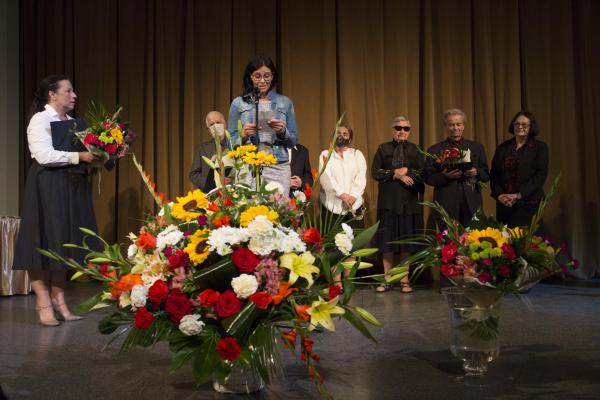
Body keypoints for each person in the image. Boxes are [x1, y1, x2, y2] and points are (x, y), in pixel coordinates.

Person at [12, 74, 102, 326]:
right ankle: (43, 302)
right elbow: (43, 155)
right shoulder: (40, 120)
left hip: (71, 186)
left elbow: (87, 154)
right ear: (52, 94)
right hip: (47, 186)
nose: (74, 96)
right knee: (44, 239)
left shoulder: (74, 122)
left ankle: (59, 299)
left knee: (66, 243)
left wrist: (104, 155)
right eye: (69, 91)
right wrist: (79, 158)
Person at [228, 56, 297, 190]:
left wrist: (283, 132)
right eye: (257, 76)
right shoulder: (238, 103)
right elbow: (229, 143)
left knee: (278, 208)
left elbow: (293, 141)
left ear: (272, 76)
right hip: (248, 165)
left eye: (267, 76)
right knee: (249, 209)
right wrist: (243, 136)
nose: (262, 80)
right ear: (250, 77)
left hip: (277, 165)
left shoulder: (285, 102)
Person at [372, 116, 425, 293]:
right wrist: (395, 173)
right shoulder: (383, 148)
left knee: (406, 243)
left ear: (409, 131)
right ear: (392, 129)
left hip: (409, 202)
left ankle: (404, 280)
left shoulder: (416, 150)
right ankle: (387, 279)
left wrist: (408, 171)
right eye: (398, 128)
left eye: (406, 128)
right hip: (388, 202)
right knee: (387, 242)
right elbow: (375, 172)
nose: (402, 131)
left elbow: (424, 173)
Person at [319, 125, 367, 289]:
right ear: (333, 136)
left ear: (350, 138)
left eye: (345, 133)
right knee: (334, 246)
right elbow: (326, 178)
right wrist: (342, 194)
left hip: (354, 206)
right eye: (338, 133)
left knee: (352, 245)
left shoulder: (357, 154)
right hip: (332, 206)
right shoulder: (326, 154)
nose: (341, 135)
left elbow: (361, 177)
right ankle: (337, 282)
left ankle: (349, 281)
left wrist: (353, 196)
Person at [426, 109, 489, 227]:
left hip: (472, 202)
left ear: (463, 126)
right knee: (448, 242)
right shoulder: (434, 150)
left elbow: (486, 174)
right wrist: (445, 176)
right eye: (451, 125)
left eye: (458, 124)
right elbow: (428, 178)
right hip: (446, 203)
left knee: (472, 242)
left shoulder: (477, 147)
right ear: (446, 127)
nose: (455, 127)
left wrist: (476, 172)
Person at [490, 111, 549, 229]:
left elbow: (540, 176)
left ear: (531, 127)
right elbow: (494, 174)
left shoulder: (540, 147)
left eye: (524, 124)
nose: (520, 127)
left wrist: (519, 195)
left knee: (527, 244)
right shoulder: (503, 147)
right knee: (505, 243)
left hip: (528, 203)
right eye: (517, 124)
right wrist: (500, 195)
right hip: (505, 204)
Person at [189, 111, 230, 192]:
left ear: (225, 124)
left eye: (218, 122)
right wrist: (213, 182)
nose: (215, 126)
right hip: (211, 196)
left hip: (234, 194)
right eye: (211, 124)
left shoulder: (235, 145)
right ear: (208, 129)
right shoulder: (202, 148)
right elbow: (193, 175)